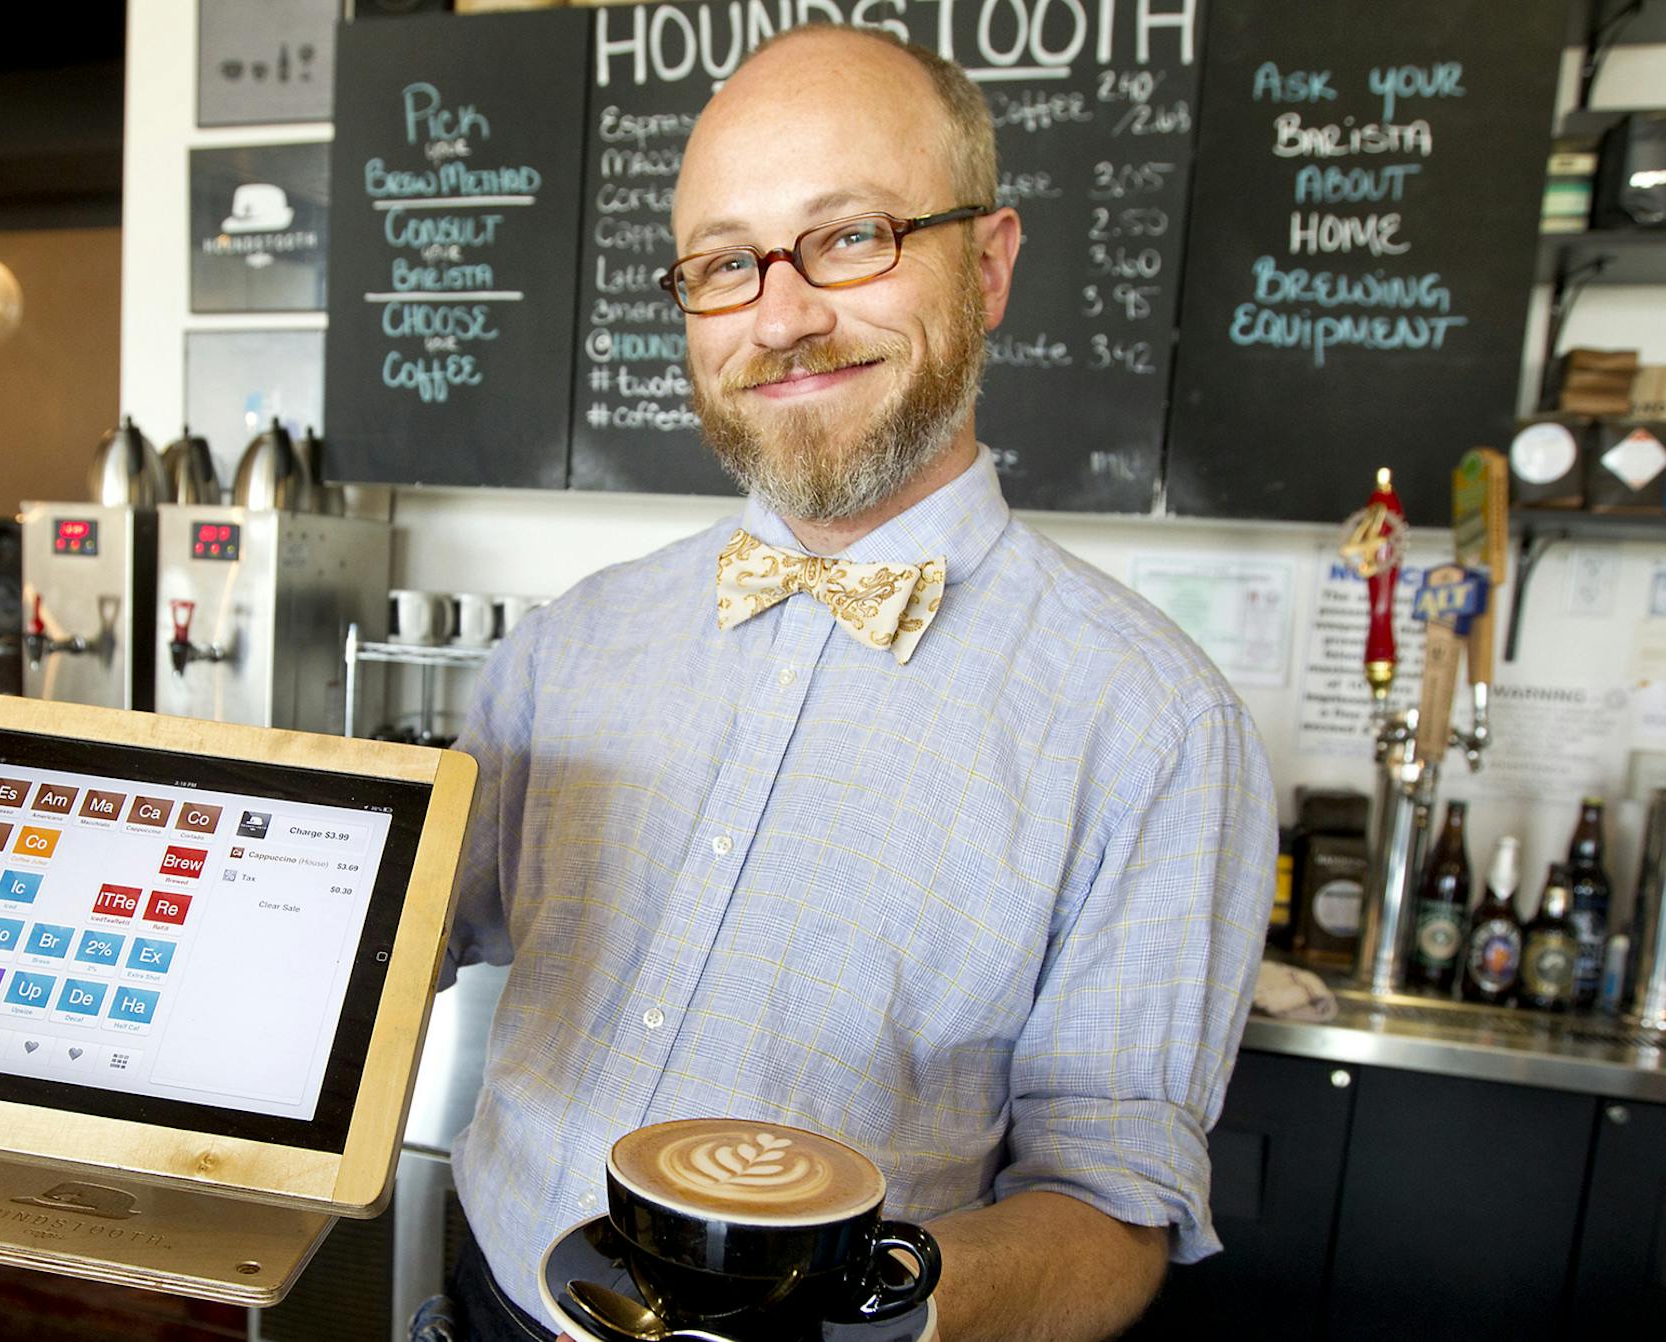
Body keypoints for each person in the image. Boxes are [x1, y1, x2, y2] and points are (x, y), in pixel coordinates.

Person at [440, 25, 1277, 1341]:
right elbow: (408, 937)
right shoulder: (570, 643)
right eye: (728, 262)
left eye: (850, 237)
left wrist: (874, 1316)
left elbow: (1110, 1204)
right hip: (486, 1303)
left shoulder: (1159, 730)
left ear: (988, 265)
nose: (783, 318)